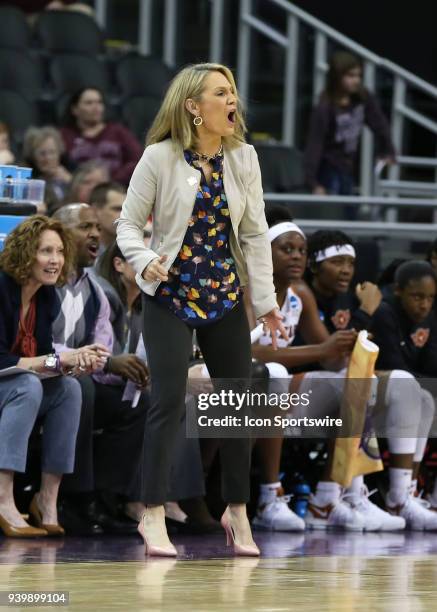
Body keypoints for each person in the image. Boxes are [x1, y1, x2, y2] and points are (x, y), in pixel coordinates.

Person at [116, 62, 288, 557]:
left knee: (238, 407)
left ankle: (237, 510)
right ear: (194, 107)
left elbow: (254, 234)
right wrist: (145, 260)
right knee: (167, 403)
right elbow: (128, 227)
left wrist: (265, 302)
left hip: (225, 296)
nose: (233, 99)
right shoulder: (158, 157)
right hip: (169, 294)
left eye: (233, 90)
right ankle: (151, 513)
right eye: (221, 92)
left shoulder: (244, 157)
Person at [0, 215, 107, 537]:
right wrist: (58, 358)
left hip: (14, 383)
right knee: (27, 385)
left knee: (70, 389)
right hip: (10, 381)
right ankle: (4, 499)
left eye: (59, 252)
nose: (56, 260)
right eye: (46, 251)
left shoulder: (45, 295)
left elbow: (42, 356)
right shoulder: (2, 287)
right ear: (25, 253)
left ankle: (47, 498)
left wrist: (73, 363)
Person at [52, 204, 150, 535]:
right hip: (40, 376)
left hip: (77, 379)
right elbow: (35, 346)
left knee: (136, 401)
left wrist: (126, 369)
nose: (95, 234)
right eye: (85, 227)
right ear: (60, 232)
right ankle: (73, 498)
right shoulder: (43, 282)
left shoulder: (95, 291)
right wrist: (108, 362)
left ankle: (105, 498)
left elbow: (103, 351)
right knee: (81, 388)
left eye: (97, 227)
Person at [371, 261, 437, 528]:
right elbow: (395, 365)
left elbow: (432, 365)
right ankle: (398, 498)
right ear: (397, 291)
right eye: (417, 297)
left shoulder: (429, 318)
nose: (424, 304)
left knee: (426, 398)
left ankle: (411, 493)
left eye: (430, 298)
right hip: (377, 397)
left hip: (408, 393)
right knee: (413, 388)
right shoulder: (384, 312)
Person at [304, 51, 395, 197]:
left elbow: (379, 124)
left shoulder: (362, 98)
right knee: (335, 211)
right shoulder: (325, 107)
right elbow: (315, 145)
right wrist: (312, 182)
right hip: (329, 168)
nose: (356, 80)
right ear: (337, 77)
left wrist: (387, 150)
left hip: (349, 167)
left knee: (350, 209)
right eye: (350, 76)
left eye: (359, 76)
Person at [60, 88, 143, 185]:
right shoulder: (65, 135)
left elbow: (138, 159)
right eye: (89, 103)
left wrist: (113, 180)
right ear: (75, 109)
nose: (96, 107)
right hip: (79, 188)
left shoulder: (118, 131)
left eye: (99, 102)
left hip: (116, 187)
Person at [22, 126, 72, 214]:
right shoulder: (31, 182)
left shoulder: (70, 177)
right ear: (33, 156)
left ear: (59, 152)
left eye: (52, 152)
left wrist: (70, 181)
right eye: (42, 153)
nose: (48, 158)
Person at [89, 181, 126, 254]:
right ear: (95, 211)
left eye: (126, 209)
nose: (124, 215)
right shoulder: (83, 251)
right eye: (117, 209)